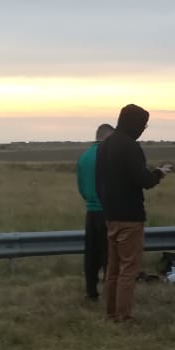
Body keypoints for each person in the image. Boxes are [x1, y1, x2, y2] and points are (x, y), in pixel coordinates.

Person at [95, 104, 171, 322]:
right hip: (130, 216)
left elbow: (99, 182)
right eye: (144, 124)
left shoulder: (105, 145)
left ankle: (111, 312)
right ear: (136, 124)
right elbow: (144, 181)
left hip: (110, 215)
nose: (144, 129)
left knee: (113, 268)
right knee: (129, 269)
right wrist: (159, 173)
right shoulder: (130, 146)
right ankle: (124, 316)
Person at [76, 123, 114, 301]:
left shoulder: (84, 157)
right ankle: (110, 294)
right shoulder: (108, 155)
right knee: (109, 255)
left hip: (91, 212)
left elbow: (81, 187)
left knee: (91, 255)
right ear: (107, 137)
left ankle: (91, 292)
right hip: (108, 211)